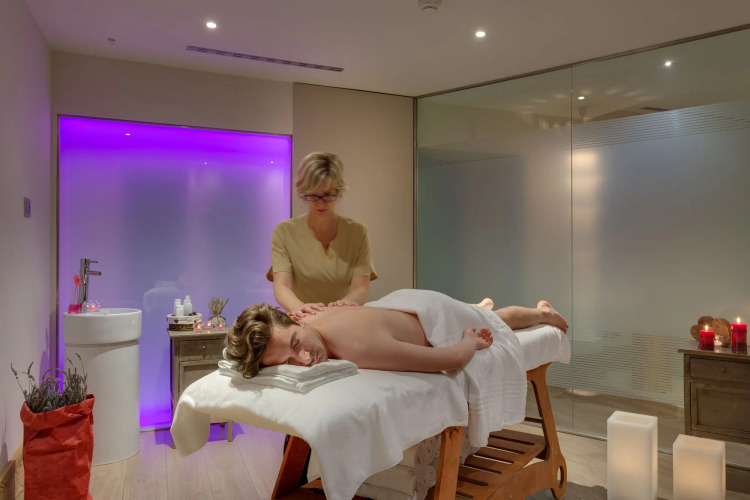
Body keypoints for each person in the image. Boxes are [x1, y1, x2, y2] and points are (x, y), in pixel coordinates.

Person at [225, 289, 568, 379]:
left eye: (296, 344)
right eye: (288, 362)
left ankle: (544, 314)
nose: (304, 359)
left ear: (293, 321)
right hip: (399, 305)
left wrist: (469, 342)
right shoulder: (310, 316)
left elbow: (450, 360)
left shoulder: (359, 348)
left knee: (493, 321)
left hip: (431, 311)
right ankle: (478, 306)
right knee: (478, 311)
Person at [266, 152, 377, 318]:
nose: (320, 203)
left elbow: (361, 288)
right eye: (313, 195)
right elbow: (281, 286)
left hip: (342, 317)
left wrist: (345, 304)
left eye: (327, 195)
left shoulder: (357, 233)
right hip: (302, 319)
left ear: (338, 192)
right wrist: (299, 307)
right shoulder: (284, 232)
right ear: (303, 193)